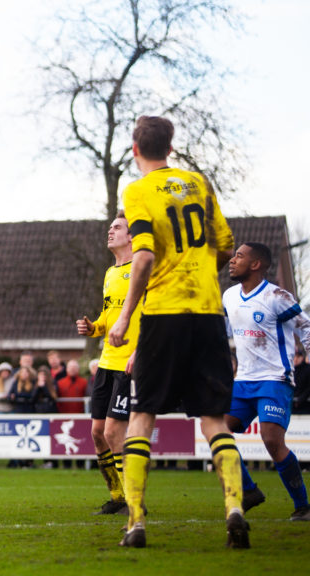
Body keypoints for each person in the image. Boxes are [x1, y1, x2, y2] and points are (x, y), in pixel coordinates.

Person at [108, 116, 245, 548]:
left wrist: (126, 316)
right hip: (207, 312)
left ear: (135, 148)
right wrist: (202, 273)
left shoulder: (137, 191)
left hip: (164, 313)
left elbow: (144, 256)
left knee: (141, 416)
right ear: (170, 145)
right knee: (213, 419)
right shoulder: (198, 183)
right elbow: (225, 245)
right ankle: (235, 508)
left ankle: (135, 522)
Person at [222, 242, 310, 521]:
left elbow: (305, 326)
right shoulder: (229, 296)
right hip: (243, 380)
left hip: (274, 379)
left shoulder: (277, 296)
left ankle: (303, 506)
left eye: (239, 256)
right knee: (218, 432)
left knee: (272, 441)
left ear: (256, 264)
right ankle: (249, 491)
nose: (232, 260)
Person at [75, 210, 140, 515]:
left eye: (117, 227)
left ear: (131, 235)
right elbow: (108, 316)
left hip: (129, 362)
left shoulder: (141, 269)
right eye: (110, 227)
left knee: (115, 432)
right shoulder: (110, 273)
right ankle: (117, 496)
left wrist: (141, 352)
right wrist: (94, 327)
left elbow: (151, 316)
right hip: (106, 361)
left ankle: (133, 500)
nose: (110, 231)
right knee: (97, 433)